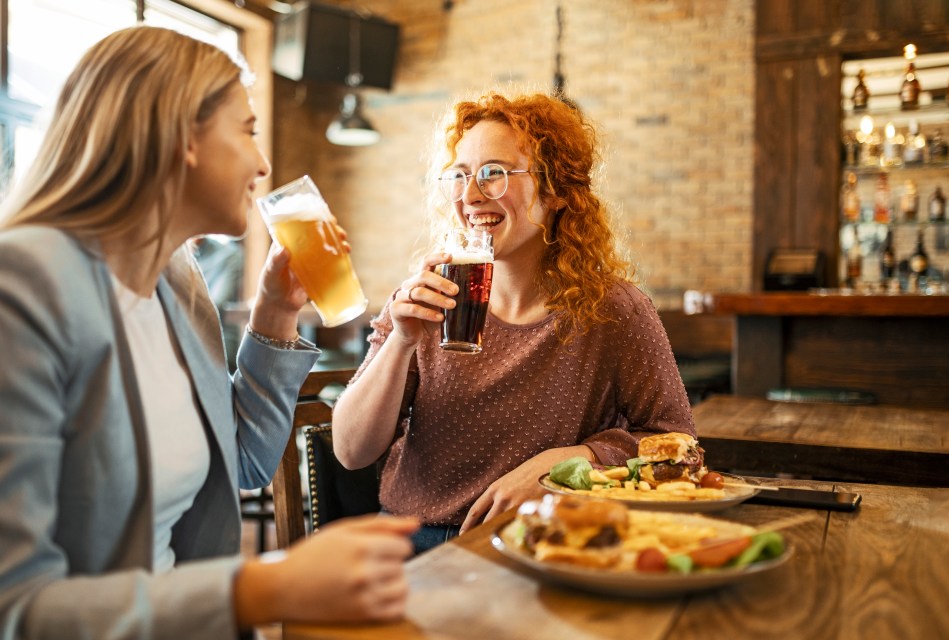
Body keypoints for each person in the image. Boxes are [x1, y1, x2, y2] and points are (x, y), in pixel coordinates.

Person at [0, 26, 417, 639]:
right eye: (248, 130)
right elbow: (18, 608)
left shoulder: (176, 276)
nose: (264, 162)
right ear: (181, 138)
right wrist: (264, 586)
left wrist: (275, 314)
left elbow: (245, 461)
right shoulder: (26, 284)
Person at [331, 91, 695, 554]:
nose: (469, 196)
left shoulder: (614, 310)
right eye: (460, 176)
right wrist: (400, 342)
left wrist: (567, 464)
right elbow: (350, 450)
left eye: (494, 174)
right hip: (411, 542)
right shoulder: (425, 296)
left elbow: (678, 442)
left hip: (543, 544)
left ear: (558, 189)